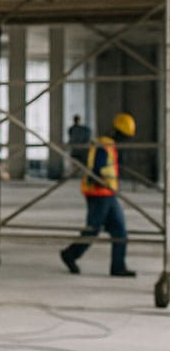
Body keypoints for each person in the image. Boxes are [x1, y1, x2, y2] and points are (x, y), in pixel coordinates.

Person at [60, 112, 137, 277]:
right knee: (93, 230)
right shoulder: (104, 145)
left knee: (119, 231)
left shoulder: (110, 145)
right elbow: (96, 169)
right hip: (98, 194)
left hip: (108, 193)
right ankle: (70, 255)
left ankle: (118, 267)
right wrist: (101, 180)